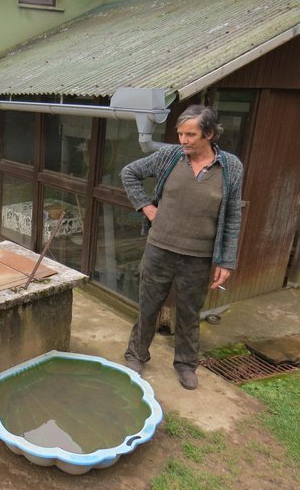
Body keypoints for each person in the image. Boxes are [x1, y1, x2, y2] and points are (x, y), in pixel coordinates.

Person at [120, 104, 243, 390]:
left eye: (190, 134)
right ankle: (136, 355)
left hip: (198, 258)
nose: (183, 140)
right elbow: (129, 173)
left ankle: (186, 365)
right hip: (159, 249)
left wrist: (226, 261)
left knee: (189, 313)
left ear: (209, 134)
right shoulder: (169, 156)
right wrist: (148, 209)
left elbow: (233, 215)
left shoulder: (230, 167)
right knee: (148, 306)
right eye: (180, 133)